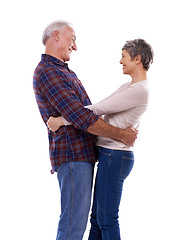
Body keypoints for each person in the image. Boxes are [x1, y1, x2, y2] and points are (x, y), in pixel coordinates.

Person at [33, 20, 138, 240]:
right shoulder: (48, 72)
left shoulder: (63, 71)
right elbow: (81, 116)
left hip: (82, 157)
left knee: (81, 224)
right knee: (73, 227)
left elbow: (85, 112)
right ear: (57, 36)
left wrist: (64, 120)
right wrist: (123, 135)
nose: (76, 46)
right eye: (73, 39)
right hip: (73, 158)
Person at [47, 38, 154, 240]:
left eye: (124, 56)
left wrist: (61, 120)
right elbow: (99, 109)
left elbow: (98, 109)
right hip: (109, 155)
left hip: (116, 156)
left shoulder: (140, 90)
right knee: (96, 220)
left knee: (107, 220)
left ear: (137, 59)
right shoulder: (129, 86)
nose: (120, 61)